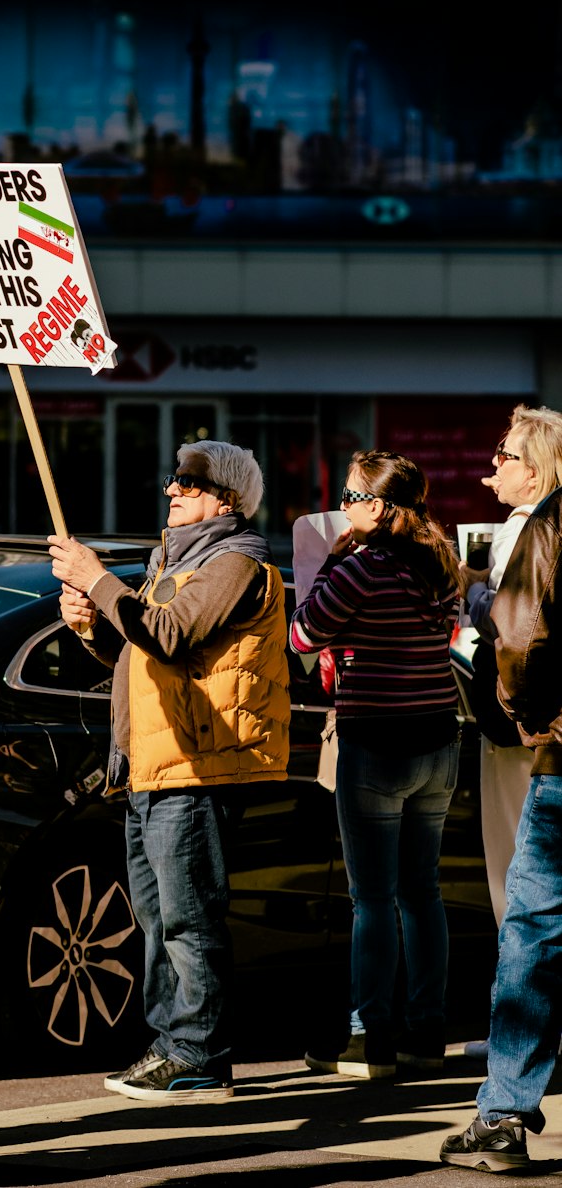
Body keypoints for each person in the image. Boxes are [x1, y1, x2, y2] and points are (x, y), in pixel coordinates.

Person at [49, 439, 290, 1101]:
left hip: (195, 765)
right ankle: (169, 1046)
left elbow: (170, 635)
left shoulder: (235, 560)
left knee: (187, 918)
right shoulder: (170, 562)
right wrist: (92, 630)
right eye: (174, 479)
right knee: (158, 919)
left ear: (228, 500)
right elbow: (144, 659)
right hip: (151, 765)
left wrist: (98, 578)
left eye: (190, 482)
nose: (172, 490)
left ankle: (198, 1053)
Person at [291, 450, 461, 1080]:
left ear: (385, 508)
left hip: (377, 745)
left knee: (373, 899)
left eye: (356, 497)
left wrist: (331, 565)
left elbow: (302, 636)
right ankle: (427, 1030)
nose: (345, 509)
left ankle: (371, 1038)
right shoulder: (440, 567)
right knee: (423, 894)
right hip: (439, 740)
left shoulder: (360, 570)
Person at [439, 472, 562, 1174]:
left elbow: (520, 634)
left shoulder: (551, 521)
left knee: (535, 930)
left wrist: (523, 711)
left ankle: (506, 1113)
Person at [458, 408, 562, 931]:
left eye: (508, 455)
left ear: (537, 474)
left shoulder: (522, 528)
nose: (494, 462)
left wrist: (472, 587)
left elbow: (509, 626)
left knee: (513, 877)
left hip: (523, 729)